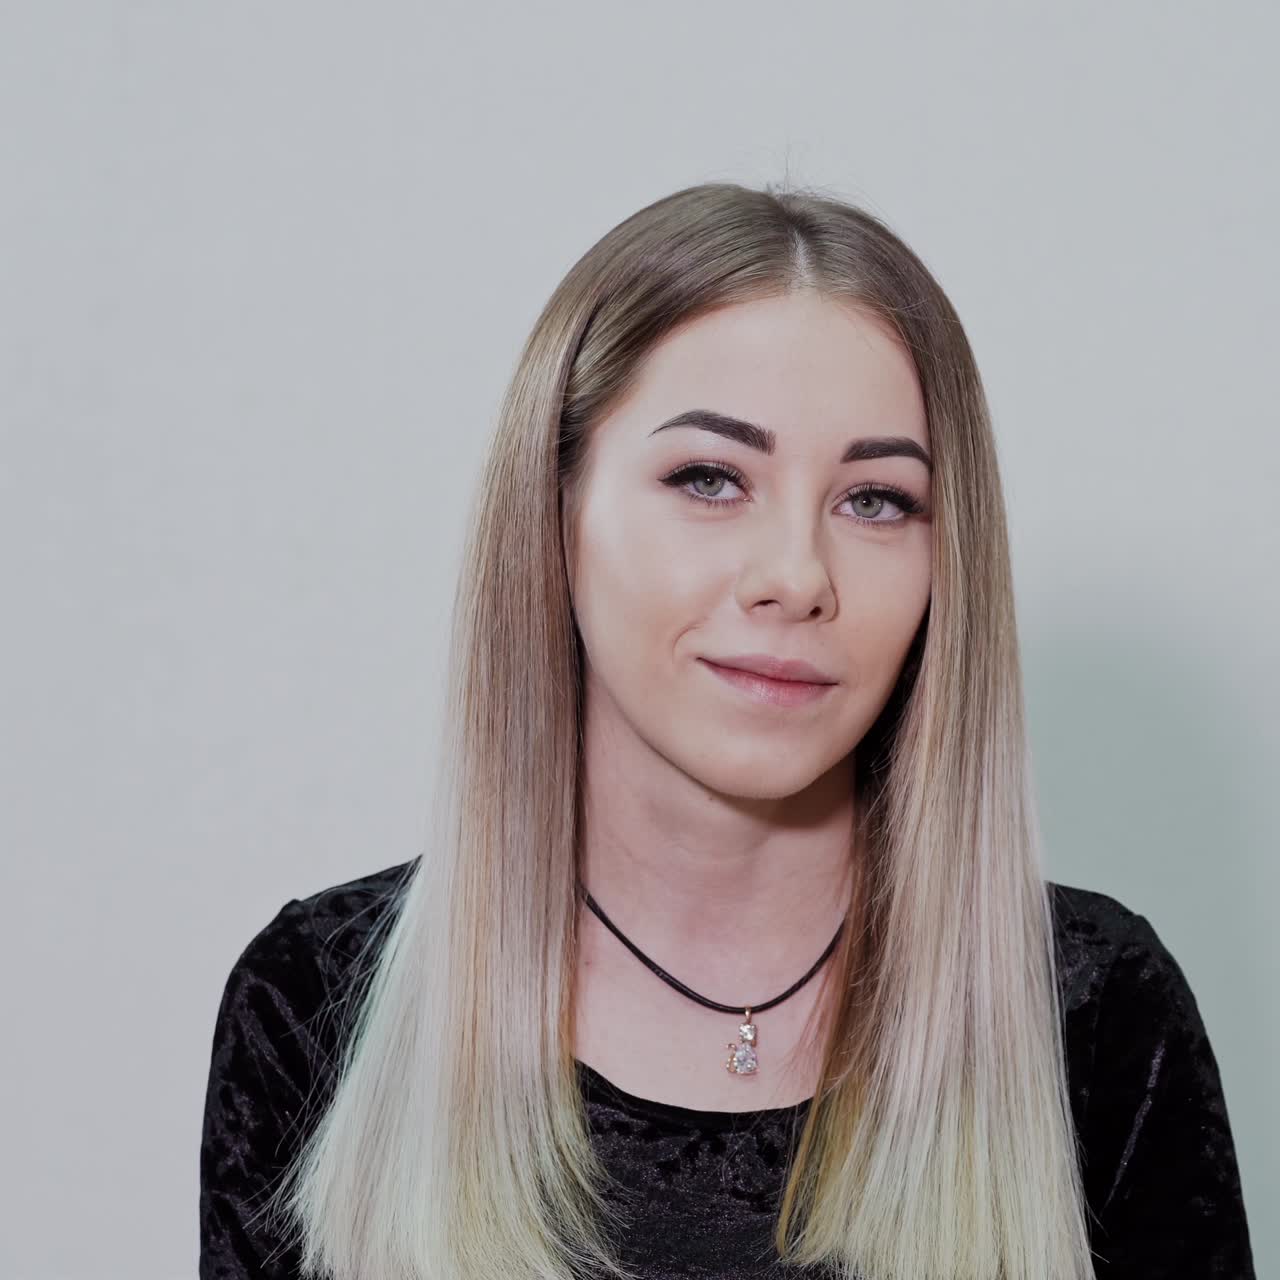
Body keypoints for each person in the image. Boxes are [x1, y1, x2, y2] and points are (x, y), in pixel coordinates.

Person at [199, 181, 1255, 1279]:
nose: (795, 576)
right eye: (708, 478)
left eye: (876, 499)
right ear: (554, 514)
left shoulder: (1090, 1014)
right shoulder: (320, 1006)